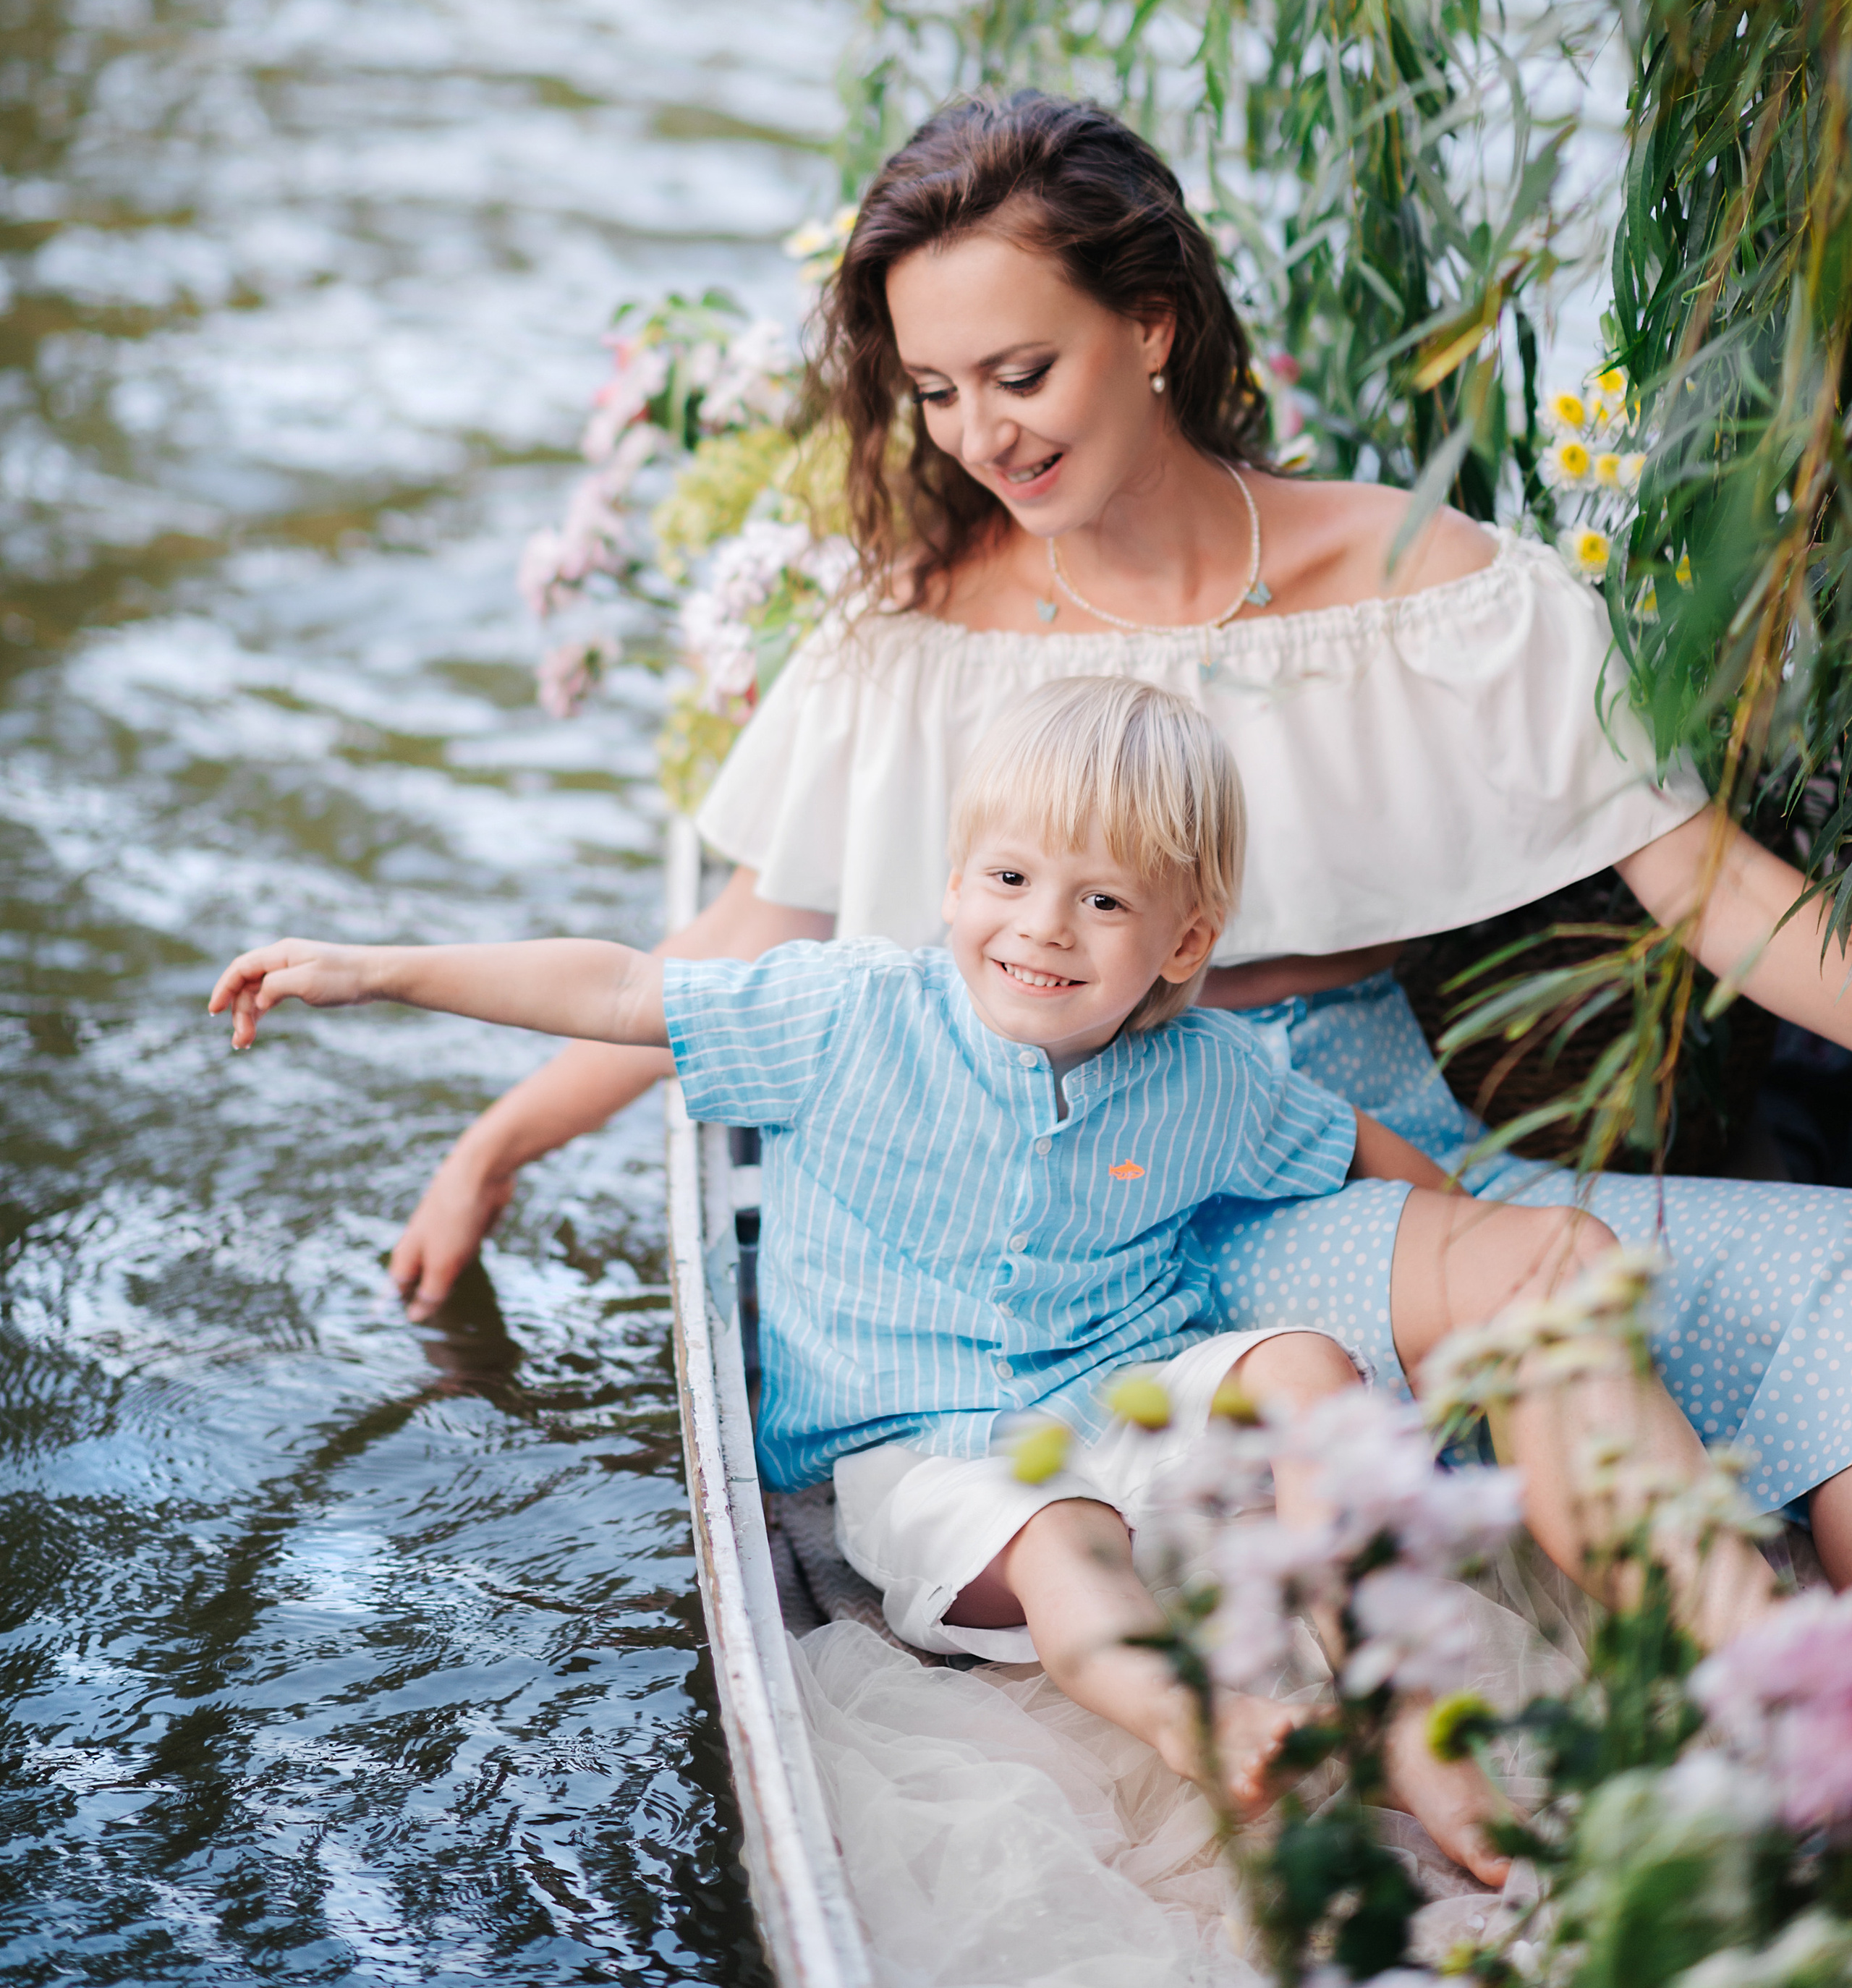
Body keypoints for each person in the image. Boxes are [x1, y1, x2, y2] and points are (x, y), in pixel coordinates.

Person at [389, 90, 1852, 1579]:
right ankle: (1693, 1717)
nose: (978, 435)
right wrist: (493, 1148)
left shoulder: (1428, 586)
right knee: (1540, 1292)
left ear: (1150, 325)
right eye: (938, 390)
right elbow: (736, 945)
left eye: (1019, 372)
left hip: (1393, 1155)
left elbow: (1714, 891)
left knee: (1834, 1294)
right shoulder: (910, 641)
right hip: (1116, 1227)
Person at [211, 677, 1775, 1885]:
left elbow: (1352, 1141)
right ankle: (1212, 1722)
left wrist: (1467, 1266)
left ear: (1181, 940)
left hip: (1122, 1385)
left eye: (1100, 900)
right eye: (1009, 877)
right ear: (951, 880)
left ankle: (1393, 1689)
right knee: (1068, 1548)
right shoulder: (848, 1015)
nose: (1041, 927)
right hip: (926, 1447)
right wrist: (375, 967)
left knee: (1303, 1365)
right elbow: (620, 985)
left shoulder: (1208, 1068)